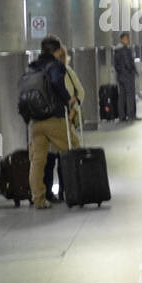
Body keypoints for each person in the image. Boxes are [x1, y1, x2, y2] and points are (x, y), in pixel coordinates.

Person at [22, 36, 77, 211]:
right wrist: (68, 99)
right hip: (53, 118)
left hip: (35, 120)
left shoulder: (32, 67)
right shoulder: (56, 65)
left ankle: (38, 198)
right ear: (58, 51)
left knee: (37, 161)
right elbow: (55, 82)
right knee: (73, 149)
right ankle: (77, 190)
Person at [41, 47, 84, 203]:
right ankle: (51, 192)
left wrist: (73, 111)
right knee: (51, 159)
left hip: (64, 121)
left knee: (62, 157)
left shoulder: (68, 72)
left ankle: (64, 190)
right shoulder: (45, 73)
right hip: (52, 120)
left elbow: (80, 92)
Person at [113, 33, 139, 121]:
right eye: (128, 39)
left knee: (122, 97)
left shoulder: (116, 50)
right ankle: (131, 115)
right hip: (127, 76)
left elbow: (116, 65)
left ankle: (122, 116)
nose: (129, 41)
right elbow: (128, 63)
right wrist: (132, 71)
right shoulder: (125, 50)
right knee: (130, 96)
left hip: (120, 76)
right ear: (123, 39)